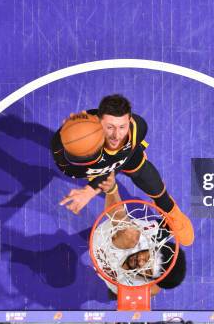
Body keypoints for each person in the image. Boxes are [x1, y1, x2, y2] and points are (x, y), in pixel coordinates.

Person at [51, 94, 194, 246]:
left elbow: (116, 165)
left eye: (122, 127)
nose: (116, 135)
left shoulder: (139, 127)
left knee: (140, 167)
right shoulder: (79, 149)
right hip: (89, 167)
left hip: (124, 154)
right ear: (99, 122)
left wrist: (92, 189)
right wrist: (93, 186)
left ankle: (170, 210)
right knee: (110, 187)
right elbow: (109, 170)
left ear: (129, 121)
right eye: (110, 127)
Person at [90, 172, 187, 297]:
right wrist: (111, 190)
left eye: (148, 270)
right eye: (147, 259)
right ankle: (166, 209)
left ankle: (167, 228)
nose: (141, 263)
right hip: (105, 239)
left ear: (151, 278)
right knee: (134, 234)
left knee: (152, 291)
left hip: (114, 276)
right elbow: (118, 215)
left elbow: (155, 288)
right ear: (152, 249)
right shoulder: (130, 237)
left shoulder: (141, 284)